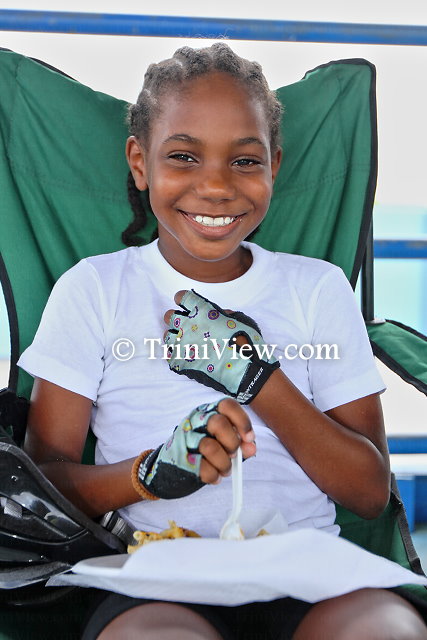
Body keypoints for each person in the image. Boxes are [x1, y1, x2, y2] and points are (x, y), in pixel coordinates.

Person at [18, 43, 427, 639]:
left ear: (274, 167)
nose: (215, 186)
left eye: (244, 161)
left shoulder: (316, 288)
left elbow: (368, 493)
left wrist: (257, 379)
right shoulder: (95, 289)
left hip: (306, 568)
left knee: (387, 631)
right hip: (156, 573)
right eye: (183, 157)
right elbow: (42, 485)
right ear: (140, 163)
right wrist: (149, 473)